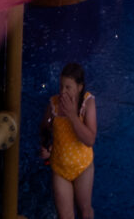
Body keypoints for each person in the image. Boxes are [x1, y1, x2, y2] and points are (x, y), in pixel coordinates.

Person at [42, 61, 96, 219]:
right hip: (60, 169)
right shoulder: (54, 105)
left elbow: (90, 139)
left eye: (68, 87)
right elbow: (44, 128)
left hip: (83, 167)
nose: (62, 92)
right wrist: (46, 146)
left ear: (79, 87)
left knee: (85, 212)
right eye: (61, 86)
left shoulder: (88, 103)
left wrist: (72, 115)